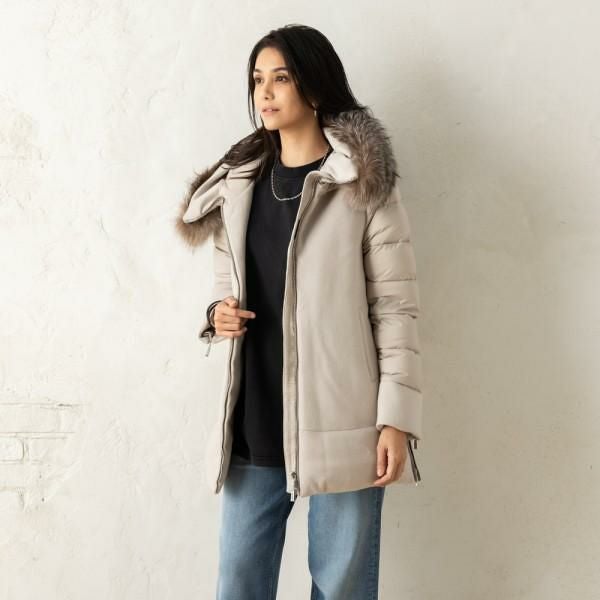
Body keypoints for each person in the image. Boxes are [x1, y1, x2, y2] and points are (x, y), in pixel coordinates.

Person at [176, 24, 423, 600]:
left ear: (313, 86)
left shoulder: (362, 184)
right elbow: (226, 286)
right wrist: (218, 313)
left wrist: (396, 419)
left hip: (346, 420)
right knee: (238, 581)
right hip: (255, 415)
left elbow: (395, 309)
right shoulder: (238, 186)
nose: (265, 92)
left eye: (280, 78)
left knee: (340, 586)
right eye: (257, 80)